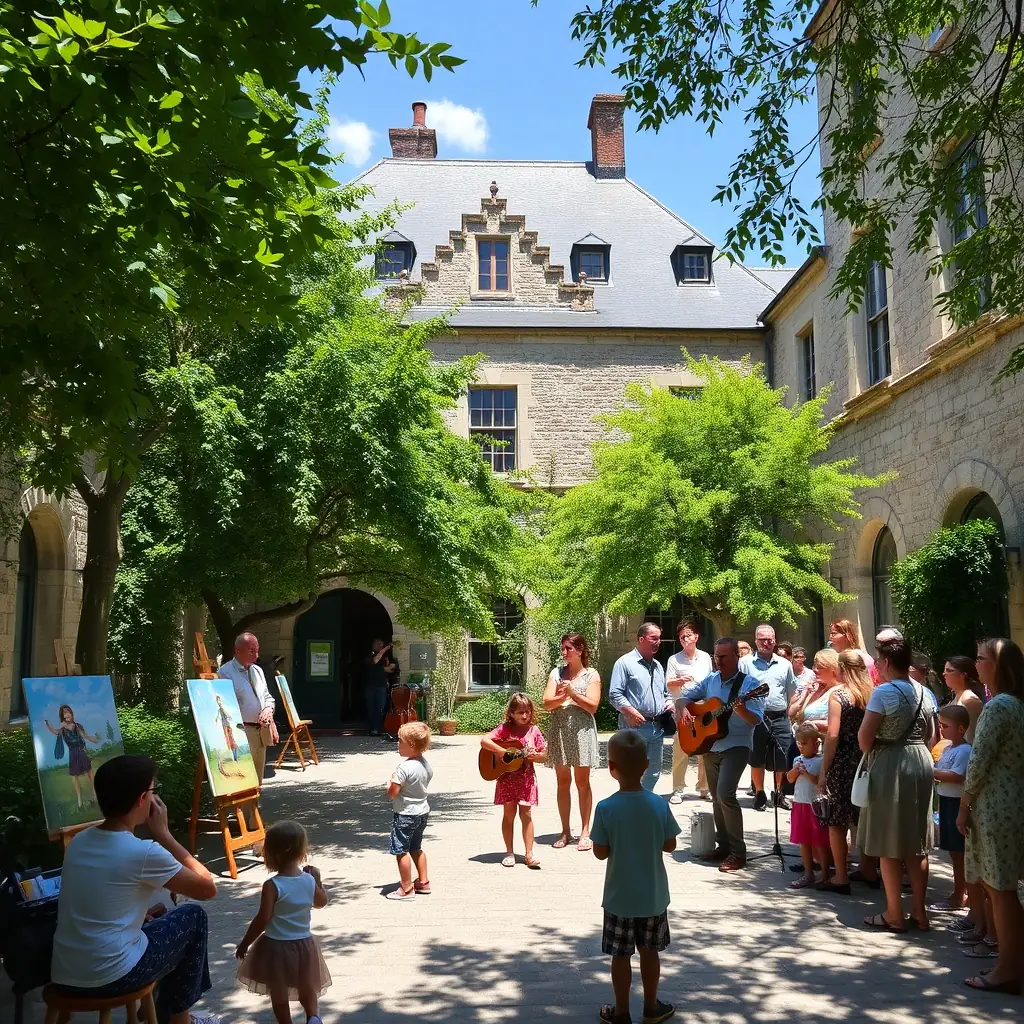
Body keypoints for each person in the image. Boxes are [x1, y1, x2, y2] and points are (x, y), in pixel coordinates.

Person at [50, 755, 218, 1024]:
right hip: (112, 976)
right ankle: (180, 1020)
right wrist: (164, 835)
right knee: (193, 917)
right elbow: (207, 888)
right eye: (153, 791)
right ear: (141, 799)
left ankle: (163, 1007)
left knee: (160, 916)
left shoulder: (79, 841)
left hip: (65, 974)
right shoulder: (143, 852)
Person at [591, 729, 680, 1024]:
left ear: (611, 767)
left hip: (619, 898)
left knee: (620, 956)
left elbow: (600, 852)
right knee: (650, 952)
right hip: (653, 896)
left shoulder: (605, 807)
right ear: (646, 765)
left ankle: (621, 1012)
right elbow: (670, 845)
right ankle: (651, 1007)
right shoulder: (659, 804)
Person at [857, 635, 938, 934]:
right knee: (917, 842)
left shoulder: (883, 693)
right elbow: (933, 735)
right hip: (921, 761)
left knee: (888, 840)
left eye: (879, 660)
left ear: (887, 662)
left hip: (891, 764)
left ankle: (894, 914)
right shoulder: (925, 692)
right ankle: (920, 911)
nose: (877, 665)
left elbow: (864, 740)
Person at [959, 638, 1024, 994]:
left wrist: (963, 806)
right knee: (1002, 890)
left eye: (981, 658)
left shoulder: (998, 706)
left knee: (1000, 890)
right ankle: (1012, 963)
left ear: (998, 666)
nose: (976, 663)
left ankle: (1007, 970)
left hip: (996, 806)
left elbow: (979, 761)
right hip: (1010, 802)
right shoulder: (1015, 703)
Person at [676, 637, 765, 872]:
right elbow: (685, 696)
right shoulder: (711, 679)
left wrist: (741, 709)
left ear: (736, 656)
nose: (719, 661)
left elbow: (756, 719)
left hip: (737, 745)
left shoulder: (750, 684)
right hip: (710, 745)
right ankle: (723, 845)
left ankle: (738, 853)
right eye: (716, 656)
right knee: (716, 797)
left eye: (724, 657)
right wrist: (683, 708)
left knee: (726, 794)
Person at [235, 821, 331, 1024]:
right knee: (308, 986)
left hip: (277, 947)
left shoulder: (272, 885)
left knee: (278, 992)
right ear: (300, 851)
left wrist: (245, 943)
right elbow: (321, 902)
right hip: (305, 945)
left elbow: (263, 919)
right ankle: (313, 1017)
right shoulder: (308, 880)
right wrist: (318, 882)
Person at [815, 650, 873, 893]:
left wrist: (823, 771)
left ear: (843, 668)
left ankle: (840, 876)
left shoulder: (839, 695)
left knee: (837, 820)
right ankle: (869, 870)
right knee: (864, 817)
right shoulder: (871, 694)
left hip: (842, 760)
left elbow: (833, 734)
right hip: (866, 759)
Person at [543, 633, 602, 851]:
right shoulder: (556, 673)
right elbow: (546, 703)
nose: (564, 652)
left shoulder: (591, 674)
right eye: (563, 648)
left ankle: (585, 831)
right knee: (562, 781)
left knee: (582, 782)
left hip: (582, 730)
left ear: (580, 650)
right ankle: (565, 831)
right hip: (559, 729)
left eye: (568, 648)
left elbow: (592, 706)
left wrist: (572, 693)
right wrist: (561, 697)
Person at [219, 632, 278, 831]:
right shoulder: (225, 673)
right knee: (242, 779)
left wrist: (268, 710)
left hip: (261, 730)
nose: (256, 654)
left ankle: (252, 821)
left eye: (257, 650)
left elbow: (267, 697)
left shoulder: (257, 671)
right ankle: (243, 824)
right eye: (252, 650)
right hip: (241, 732)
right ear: (238, 651)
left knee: (257, 781)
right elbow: (225, 706)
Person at [480, 692, 547, 868]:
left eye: (527, 712)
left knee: (527, 814)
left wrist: (534, 756)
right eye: (520, 712)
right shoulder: (504, 729)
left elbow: (544, 755)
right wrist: (502, 752)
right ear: (511, 713)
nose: (525, 716)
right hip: (507, 779)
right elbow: (484, 741)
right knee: (508, 814)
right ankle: (509, 852)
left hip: (526, 779)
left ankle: (529, 854)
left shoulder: (534, 730)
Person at [608, 623, 674, 793]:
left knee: (653, 772)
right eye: (654, 638)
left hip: (657, 728)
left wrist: (669, 702)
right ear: (641, 639)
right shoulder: (624, 663)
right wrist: (631, 711)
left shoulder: (658, 666)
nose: (658, 642)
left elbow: (665, 693)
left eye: (659, 639)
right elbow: (615, 694)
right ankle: (632, 801)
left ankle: (644, 800)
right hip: (634, 727)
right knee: (631, 771)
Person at [742, 624, 797, 811]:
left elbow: (791, 692)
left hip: (780, 717)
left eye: (769, 639)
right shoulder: (745, 663)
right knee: (756, 756)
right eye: (762, 639)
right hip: (756, 717)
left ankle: (779, 793)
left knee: (782, 756)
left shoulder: (785, 664)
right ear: (755, 641)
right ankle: (759, 793)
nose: (766, 643)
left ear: (775, 641)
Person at [665, 620, 714, 804]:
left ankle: (705, 787)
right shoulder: (674, 659)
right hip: (682, 708)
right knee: (681, 749)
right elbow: (667, 683)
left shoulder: (705, 657)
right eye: (681, 637)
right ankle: (678, 789)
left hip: (702, 707)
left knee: (705, 749)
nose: (685, 639)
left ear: (696, 637)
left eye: (688, 635)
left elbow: (710, 682)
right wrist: (678, 681)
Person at [384, 721, 433, 900]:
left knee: (401, 851)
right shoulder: (425, 764)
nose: (398, 744)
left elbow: (392, 793)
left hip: (405, 814)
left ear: (411, 745)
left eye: (400, 741)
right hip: (422, 812)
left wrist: (389, 783)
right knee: (416, 847)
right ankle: (424, 882)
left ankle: (406, 888)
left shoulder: (404, 768)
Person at [930, 704, 971, 913]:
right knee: (954, 852)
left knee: (958, 851)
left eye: (945, 726)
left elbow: (956, 775)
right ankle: (962, 892)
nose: (941, 729)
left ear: (961, 728)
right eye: (940, 725)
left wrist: (931, 772)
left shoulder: (964, 750)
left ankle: (960, 894)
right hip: (946, 801)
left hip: (956, 803)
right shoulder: (947, 748)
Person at [786, 722, 831, 889]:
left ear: (817, 743)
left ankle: (825, 874)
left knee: (820, 842)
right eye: (799, 743)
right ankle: (808, 873)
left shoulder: (821, 761)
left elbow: (820, 782)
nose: (801, 747)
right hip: (800, 804)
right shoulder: (797, 760)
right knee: (803, 841)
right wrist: (796, 770)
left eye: (805, 743)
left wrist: (808, 774)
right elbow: (790, 779)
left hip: (815, 806)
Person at [43, 704, 100, 809]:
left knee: (90, 773)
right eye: (64, 713)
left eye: (68, 712)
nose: (67, 714)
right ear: (62, 716)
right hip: (73, 753)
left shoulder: (78, 726)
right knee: (75, 776)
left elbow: (84, 736)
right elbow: (55, 732)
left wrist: (95, 740)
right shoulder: (63, 730)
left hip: (82, 751)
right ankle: (79, 801)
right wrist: (48, 725)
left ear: (71, 713)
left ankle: (95, 796)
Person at [789, 649, 841, 729]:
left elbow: (835, 724)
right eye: (814, 665)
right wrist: (805, 695)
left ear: (832, 669)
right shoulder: (815, 688)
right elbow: (795, 715)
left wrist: (810, 724)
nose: (815, 670)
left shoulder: (839, 692)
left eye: (820, 667)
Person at [941, 655, 986, 742]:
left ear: (963, 675)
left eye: (949, 671)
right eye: (944, 670)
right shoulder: (958, 697)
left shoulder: (968, 700)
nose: (944, 674)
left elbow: (970, 736)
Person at [363, 639, 398, 737]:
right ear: (373, 645)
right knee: (371, 708)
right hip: (370, 686)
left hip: (381, 686)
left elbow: (390, 669)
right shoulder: (370, 657)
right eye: (378, 644)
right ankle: (371, 729)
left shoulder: (384, 658)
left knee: (380, 709)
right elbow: (375, 661)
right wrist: (385, 649)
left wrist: (392, 666)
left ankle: (377, 729)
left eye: (382, 645)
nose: (380, 647)